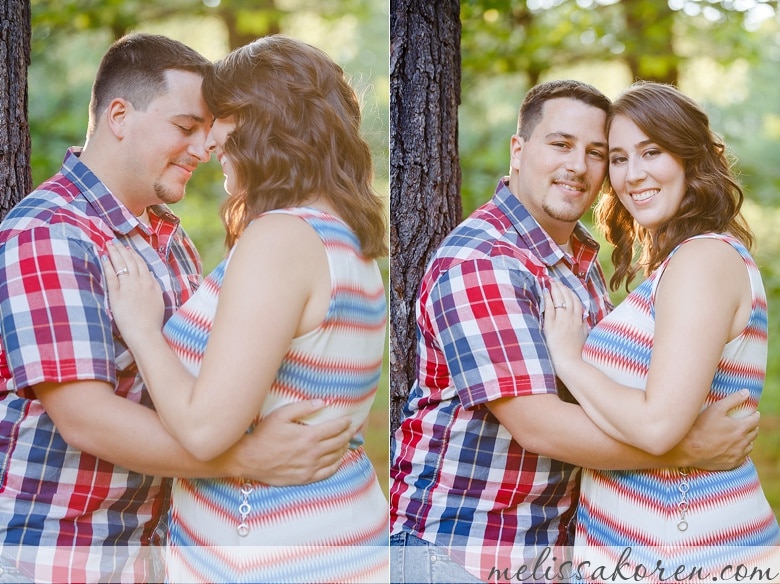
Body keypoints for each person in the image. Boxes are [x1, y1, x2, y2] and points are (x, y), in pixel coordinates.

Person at [0, 33, 353, 584]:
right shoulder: (49, 232)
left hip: (145, 554)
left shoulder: (172, 239)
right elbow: (84, 418)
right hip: (52, 551)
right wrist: (248, 460)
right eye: (186, 127)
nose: (204, 147)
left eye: (209, 131)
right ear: (119, 115)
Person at [389, 79, 761, 583]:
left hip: (567, 549)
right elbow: (538, 425)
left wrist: (578, 365)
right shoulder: (484, 261)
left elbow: (624, 401)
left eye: (596, 152)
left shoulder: (583, 266)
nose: (579, 166)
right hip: (464, 548)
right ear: (518, 150)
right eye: (561, 144)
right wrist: (687, 447)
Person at [103, 35, 389, 584]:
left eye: (222, 119)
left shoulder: (281, 238)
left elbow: (207, 429)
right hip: (329, 533)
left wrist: (143, 331)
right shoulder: (343, 240)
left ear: (265, 122)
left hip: (271, 554)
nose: (209, 144)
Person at [542, 81, 780, 576]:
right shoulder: (675, 268)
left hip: (691, 553)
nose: (633, 174)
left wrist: (569, 359)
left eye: (652, 151)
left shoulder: (704, 260)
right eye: (620, 158)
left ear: (690, 158)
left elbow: (656, 426)